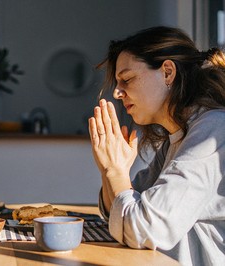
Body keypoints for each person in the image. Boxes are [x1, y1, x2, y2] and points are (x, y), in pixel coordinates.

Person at [89, 26, 225, 266]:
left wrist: (115, 171)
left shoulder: (212, 131)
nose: (118, 93)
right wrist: (107, 168)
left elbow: (142, 229)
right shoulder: (179, 135)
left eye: (127, 79)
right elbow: (121, 214)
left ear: (168, 73)